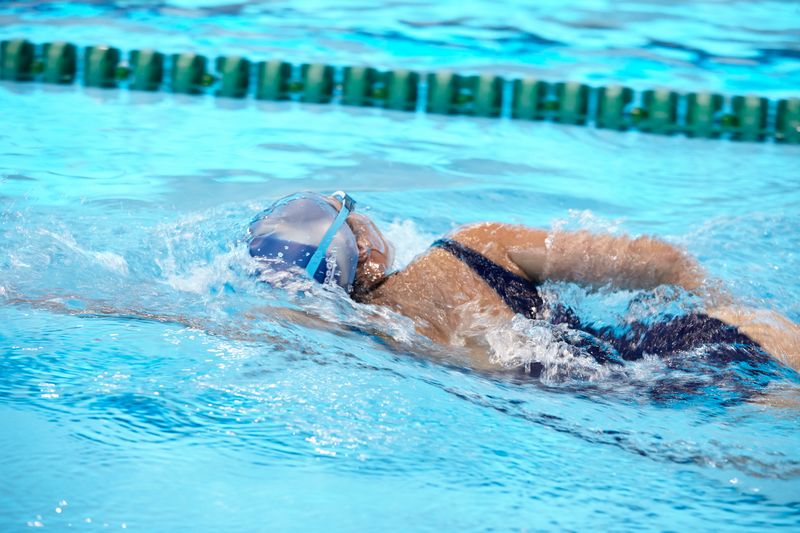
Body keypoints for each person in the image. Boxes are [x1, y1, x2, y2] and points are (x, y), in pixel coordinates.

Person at [248, 191, 800, 377]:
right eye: (352, 213)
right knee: (762, 326)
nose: (366, 217)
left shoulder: (362, 338)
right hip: (691, 351)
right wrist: (724, 301)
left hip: (628, 407)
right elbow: (661, 261)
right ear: (362, 251)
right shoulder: (475, 249)